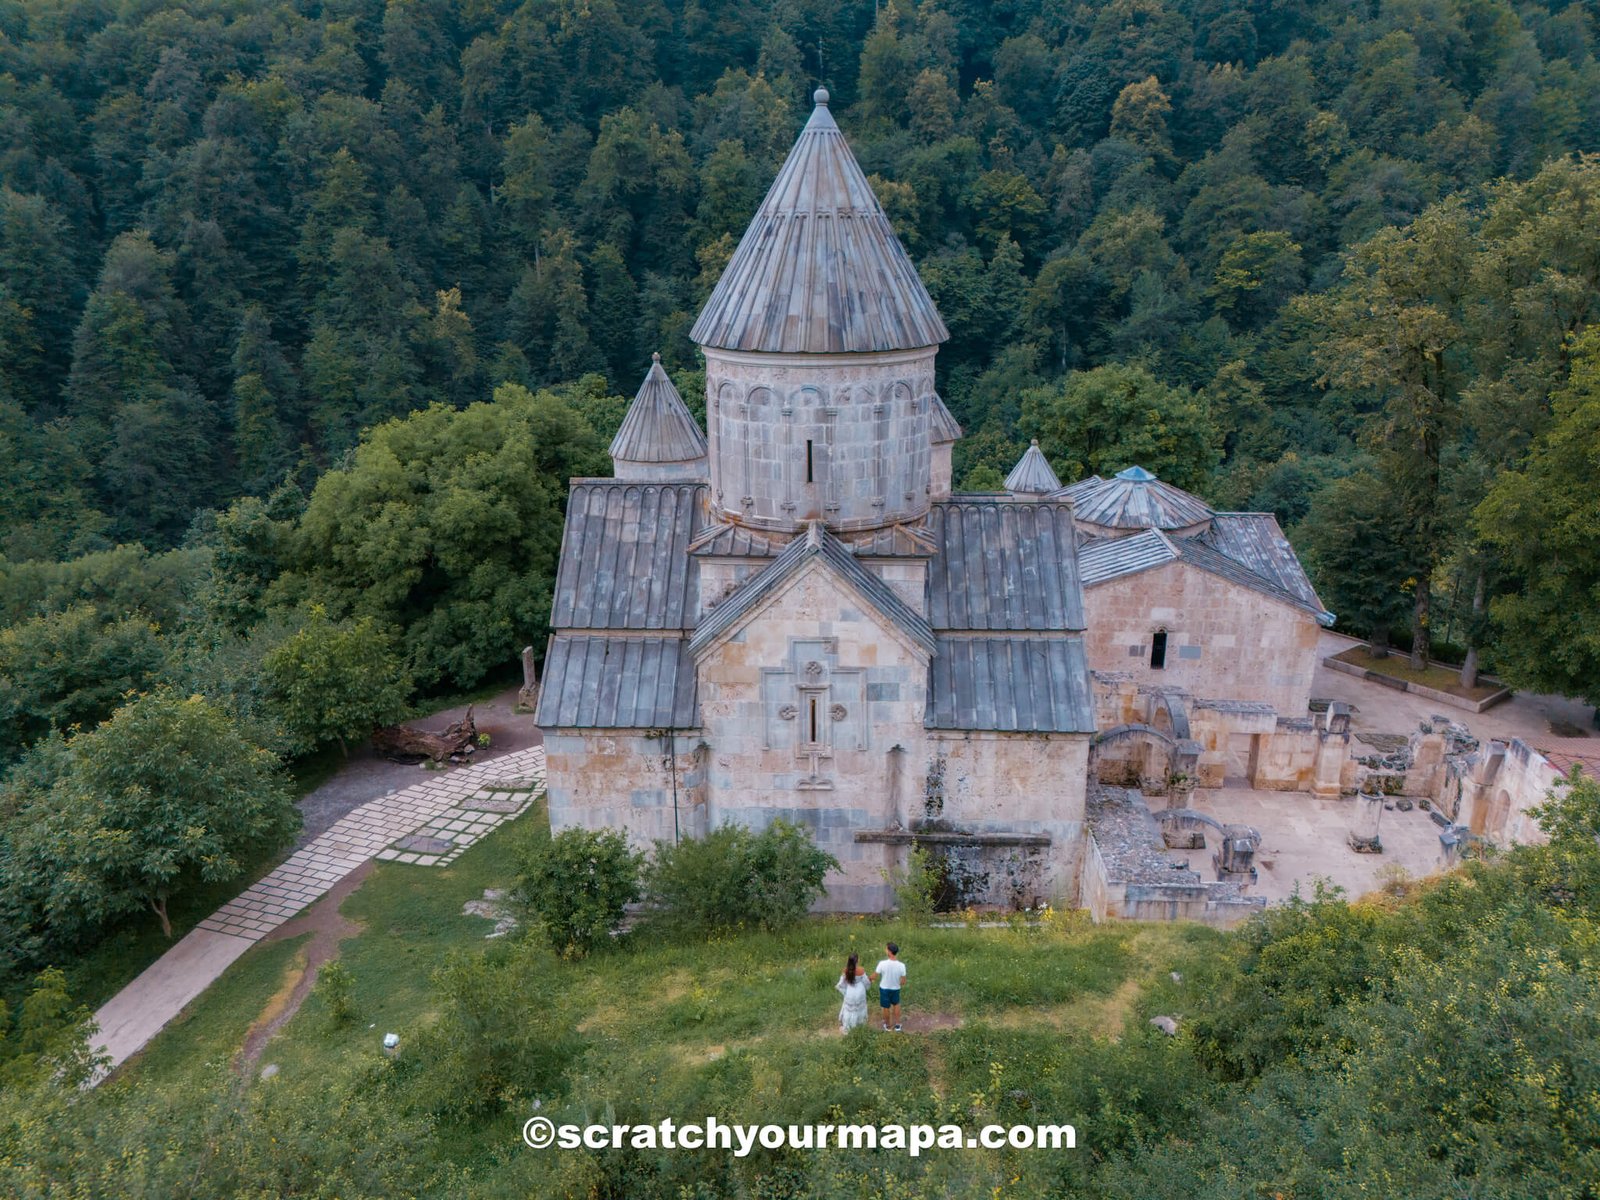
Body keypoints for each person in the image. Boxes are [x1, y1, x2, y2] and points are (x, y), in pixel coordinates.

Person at [875, 942, 907, 1031]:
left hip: (884, 989)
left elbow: (875, 975)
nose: (885, 950)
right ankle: (897, 1025)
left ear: (889, 952)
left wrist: (869, 978)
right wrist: (897, 983)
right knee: (896, 1005)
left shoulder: (882, 963)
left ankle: (888, 1026)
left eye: (886, 949)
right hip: (896, 989)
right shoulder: (902, 965)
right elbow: (903, 981)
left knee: (886, 1007)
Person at [836, 953, 869, 1032]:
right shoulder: (861, 970)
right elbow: (866, 982)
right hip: (860, 991)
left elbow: (842, 983)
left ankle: (848, 1026)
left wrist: (841, 989)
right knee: (860, 1008)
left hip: (850, 991)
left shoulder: (846, 970)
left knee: (850, 1009)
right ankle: (860, 1024)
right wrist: (869, 983)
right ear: (858, 960)